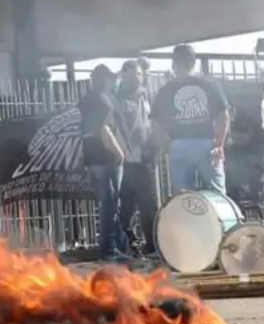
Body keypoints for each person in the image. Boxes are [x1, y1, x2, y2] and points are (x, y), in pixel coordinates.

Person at [150, 44, 230, 196]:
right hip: (207, 144)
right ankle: (221, 219)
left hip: (178, 145)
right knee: (218, 195)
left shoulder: (166, 90)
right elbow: (223, 116)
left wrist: (166, 145)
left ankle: (187, 219)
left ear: (174, 64)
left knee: (183, 198)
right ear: (194, 63)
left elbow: (155, 124)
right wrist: (219, 144)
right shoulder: (209, 85)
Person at [78, 64, 129, 261]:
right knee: (110, 204)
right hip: (106, 158)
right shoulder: (103, 101)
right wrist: (118, 152)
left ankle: (116, 245)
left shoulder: (86, 100)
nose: (115, 82)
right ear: (106, 79)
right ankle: (110, 248)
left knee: (106, 203)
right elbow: (104, 130)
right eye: (112, 79)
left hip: (92, 158)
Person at [113, 60, 159, 256]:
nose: (137, 78)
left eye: (139, 74)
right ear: (123, 76)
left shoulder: (146, 96)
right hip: (126, 161)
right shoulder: (117, 100)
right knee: (126, 207)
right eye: (132, 75)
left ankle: (152, 245)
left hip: (145, 159)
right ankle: (126, 243)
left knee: (150, 205)